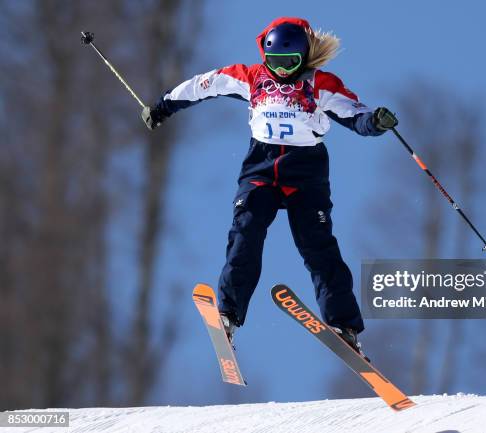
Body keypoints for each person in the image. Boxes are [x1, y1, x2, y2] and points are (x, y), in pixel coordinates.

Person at [141, 17, 398, 357]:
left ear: (303, 58)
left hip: (306, 173)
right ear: (265, 57)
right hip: (260, 168)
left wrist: (376, 122)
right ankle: (228, 315)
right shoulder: (251, 78)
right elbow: (203, 85)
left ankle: (344, 326)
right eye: (275, 62)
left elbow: (356, 114)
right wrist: (163, 106)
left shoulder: (320, 84)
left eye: (290, 63)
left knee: (318, 247)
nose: (282, 71)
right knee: (245, 233)